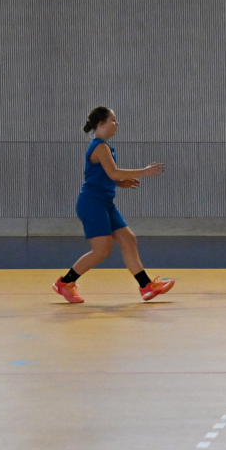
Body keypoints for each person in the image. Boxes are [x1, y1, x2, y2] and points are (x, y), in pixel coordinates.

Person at [52, 107, 174, 304]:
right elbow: (114, 172)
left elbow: (104, 175)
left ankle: (145, 286)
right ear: (101, 124)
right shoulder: (100, 147)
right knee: (102, 250)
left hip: (104, 202)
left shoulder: (104, 147)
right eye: (113, 120)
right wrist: (145, 171)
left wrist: (119, 183)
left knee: (128, 239)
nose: (117, 124)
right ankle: (65, 283)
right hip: (92, 203)